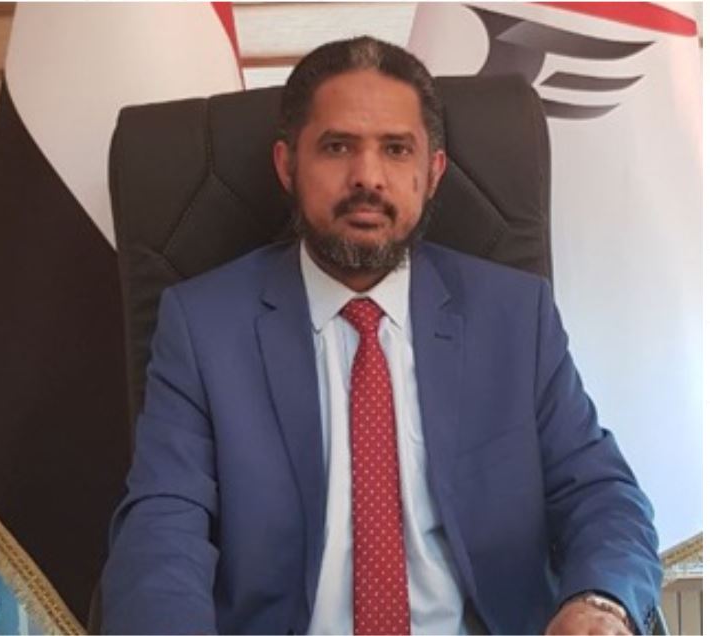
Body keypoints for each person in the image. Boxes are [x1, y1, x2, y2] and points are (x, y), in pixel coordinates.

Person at [101, 36, 661, 635]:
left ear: (432, 172)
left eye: (396, 150)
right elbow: (164, 524)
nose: (367, 177)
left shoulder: (515, 317)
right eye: (337, 146)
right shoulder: (204, 326)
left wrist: (600, 604)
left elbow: (600, 494)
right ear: (288, 165)